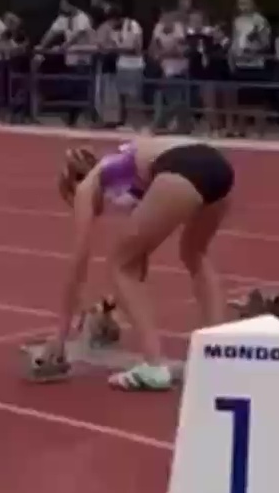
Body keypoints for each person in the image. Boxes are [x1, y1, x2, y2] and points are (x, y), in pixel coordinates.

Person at [44, 137, 236, 390]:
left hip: (182, 167)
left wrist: (60, 333)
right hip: (217, 164)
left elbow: (79, 260)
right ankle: (216, 353)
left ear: (73, 184)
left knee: (117, 264)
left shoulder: (89, 185)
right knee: (194, 253)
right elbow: (140, 258)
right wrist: (112, 304)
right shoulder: (126, 172)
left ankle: (153, 366)